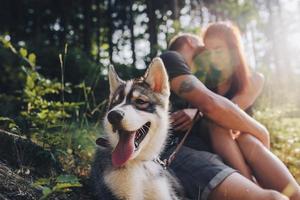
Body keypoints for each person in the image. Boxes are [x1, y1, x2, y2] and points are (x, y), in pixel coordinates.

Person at [160, 27, 300, 199]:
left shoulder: (242, 79)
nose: (210, 56)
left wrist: (197, 111)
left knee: (245, 139)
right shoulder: (178, 64)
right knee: (224, 127)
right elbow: (215, 109)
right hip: (210, 145)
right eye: (207, 50)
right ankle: (252, 186)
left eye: (216, 50)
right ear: (191, 42)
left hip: (238, 141)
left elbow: (227, 110)